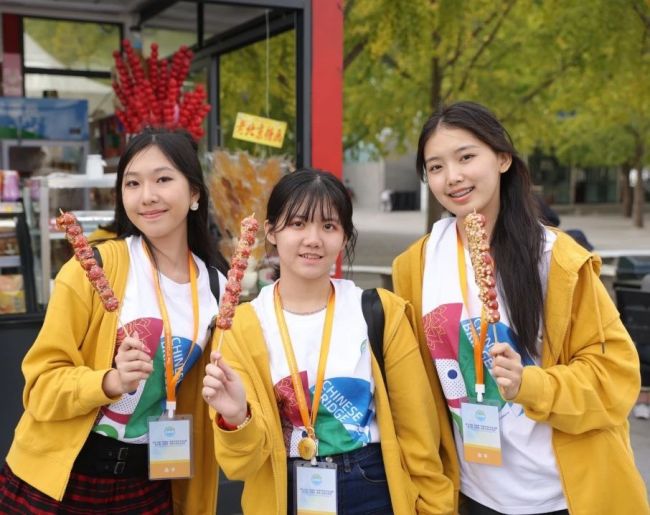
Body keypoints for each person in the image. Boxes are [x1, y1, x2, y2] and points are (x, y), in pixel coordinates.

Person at [392, 101, 649, 515]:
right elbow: (415, 395)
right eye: (436, 167)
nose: (452, 176)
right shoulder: (415, 266)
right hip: (472, 496)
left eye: (466, 157)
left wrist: (529, 384)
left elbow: (616, 378)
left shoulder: (555, 259)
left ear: (503, 159)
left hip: (563, 495)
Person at [0, 128, 227, 514]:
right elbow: (39, 388)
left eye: (163, 179)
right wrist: (110, 381)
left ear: (194, 194)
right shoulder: (93, 269)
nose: (147, 195)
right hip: (61, 479)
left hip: (149, 482)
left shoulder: (216, 288)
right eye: (132, 183)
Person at [203, 169, 454, 514]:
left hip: (372, 484)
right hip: (283, 488)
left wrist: (436, 507)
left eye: (329, 226)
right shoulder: (240, 327)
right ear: (271, 232)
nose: (313, 239)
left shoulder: (381, 312)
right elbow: (241, 466)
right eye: (298, 224)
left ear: (344, 235)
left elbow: (418, 433)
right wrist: (236, 417)